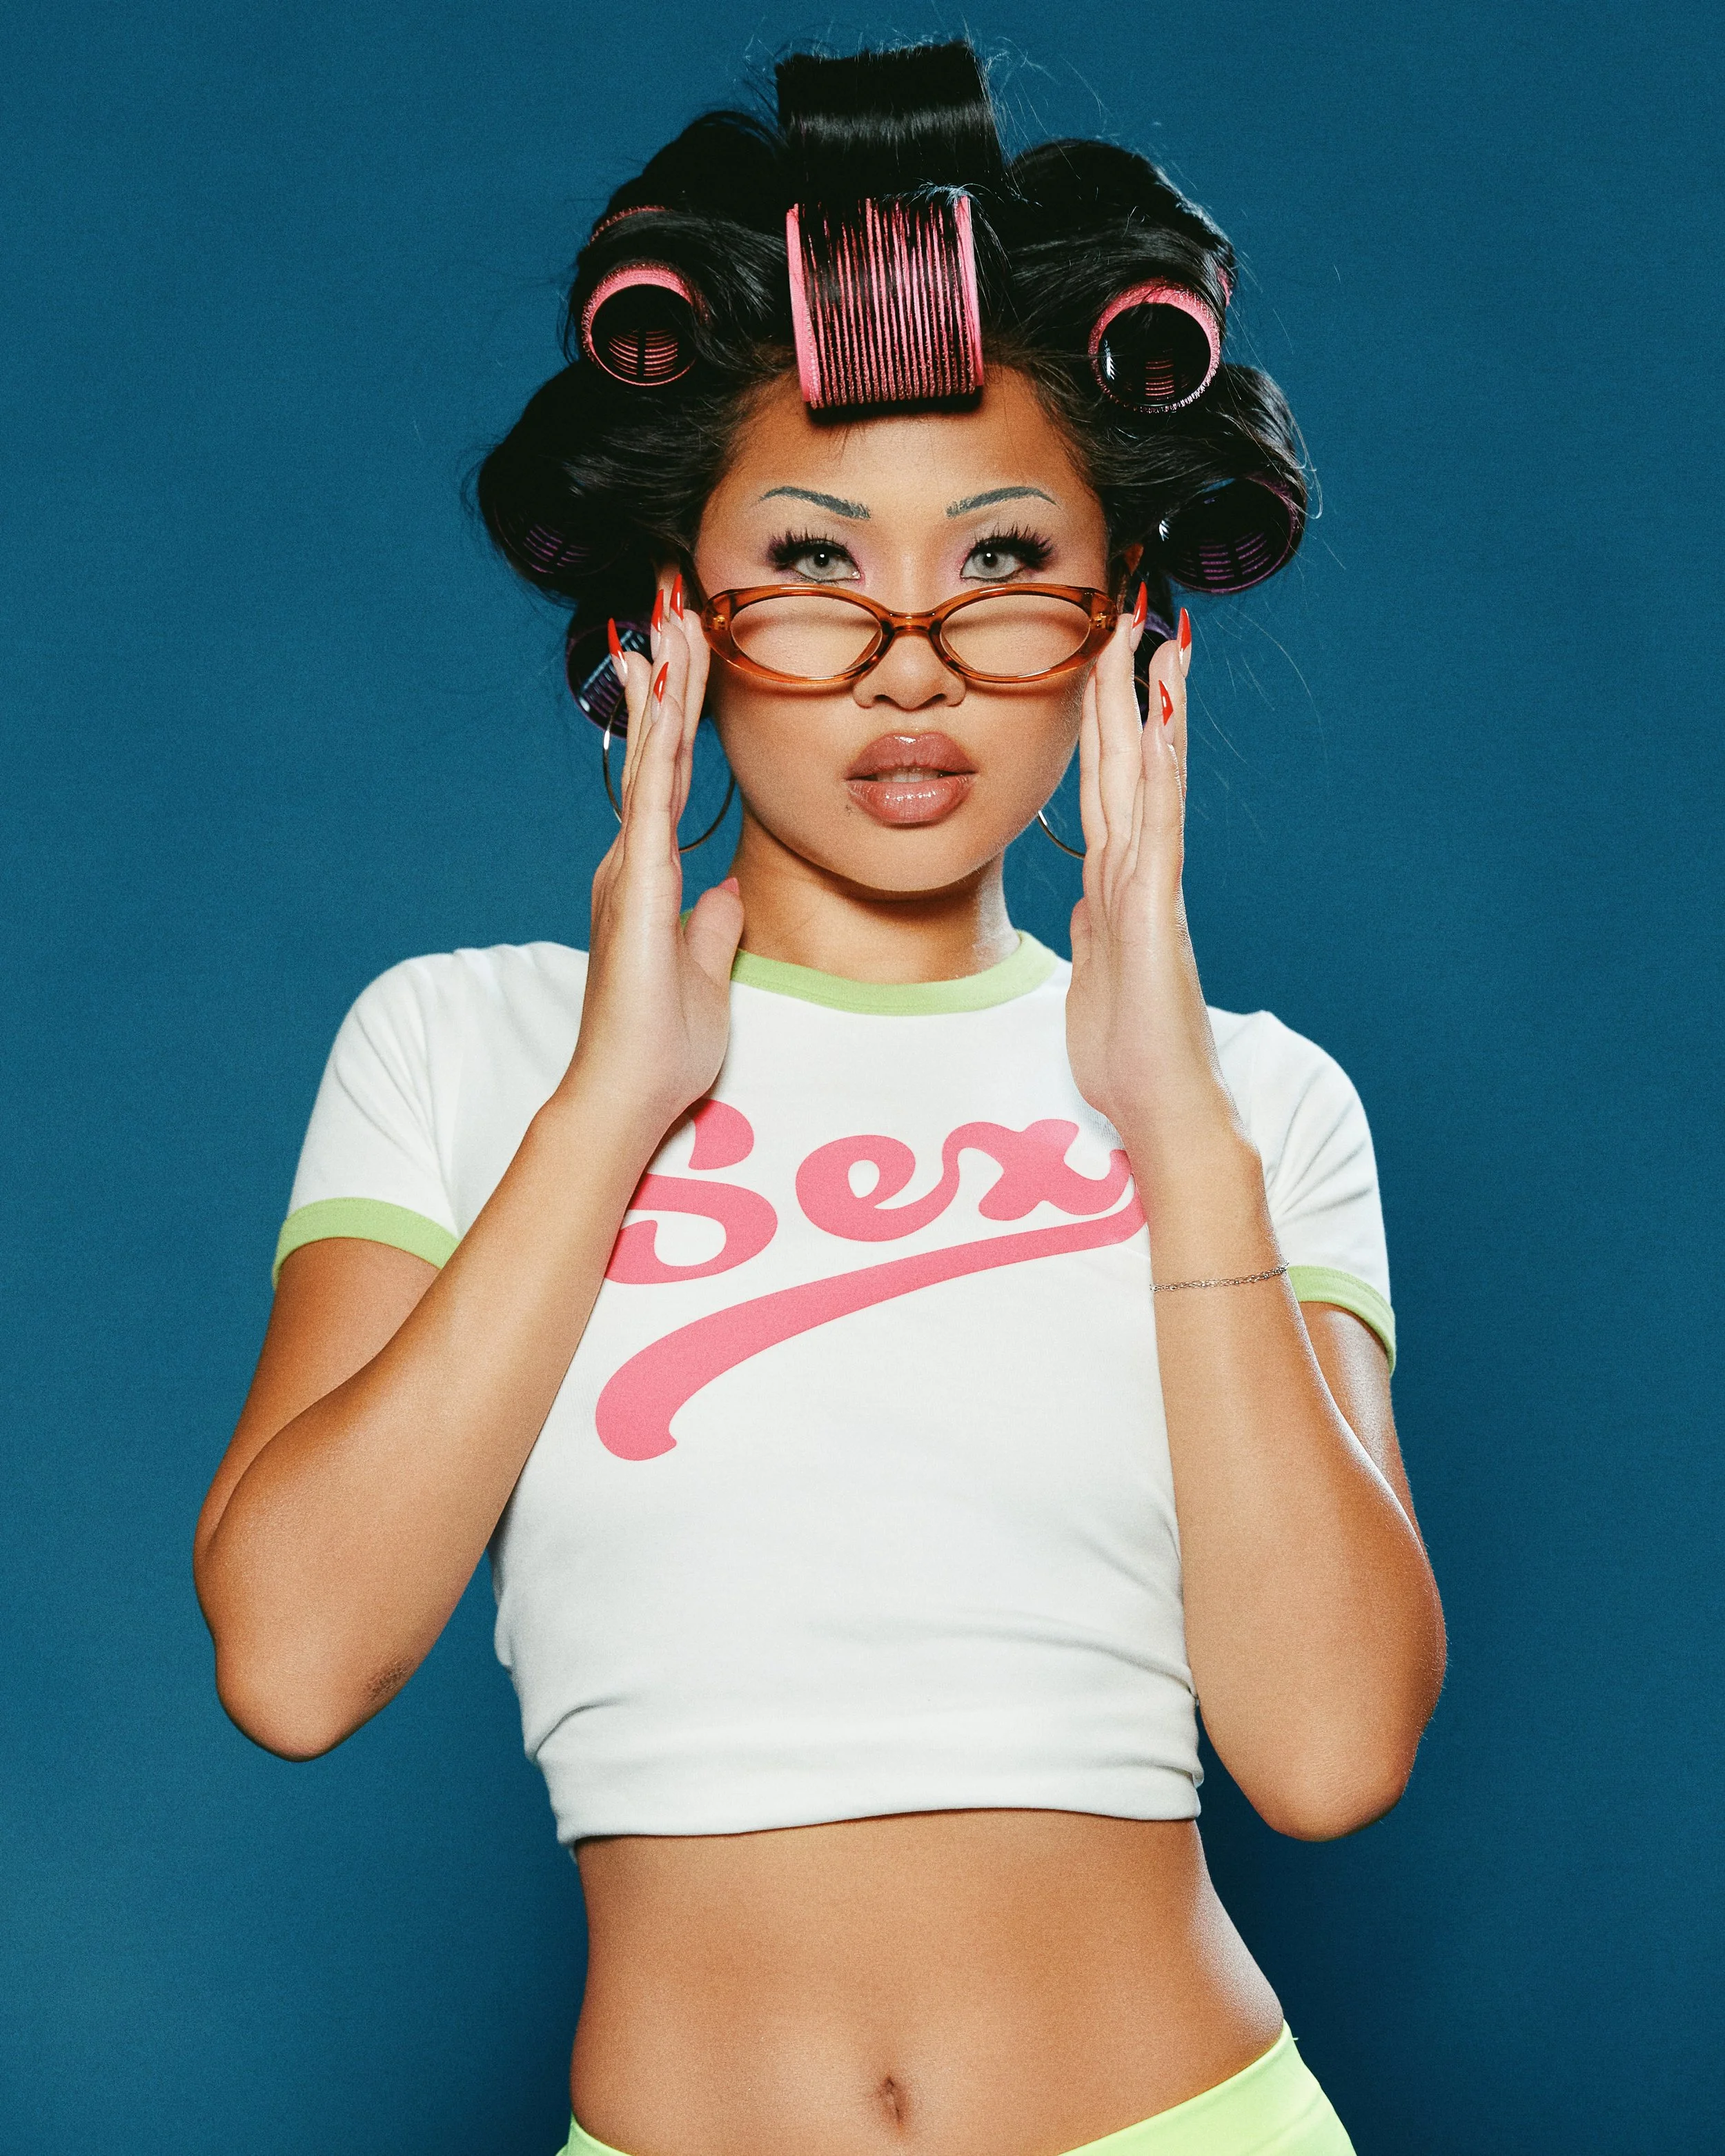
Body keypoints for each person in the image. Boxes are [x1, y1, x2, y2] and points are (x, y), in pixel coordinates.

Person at [194, 41, 1444, 2156]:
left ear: (1119, 623)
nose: (904, 653)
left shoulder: (1251, 1103)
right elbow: (297, 1659)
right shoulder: (461, 1047)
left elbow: (1323, 1751)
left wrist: (1171, 1111)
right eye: (808, 557)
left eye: (996, 561)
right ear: (666, 605)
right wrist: (612, 1099)